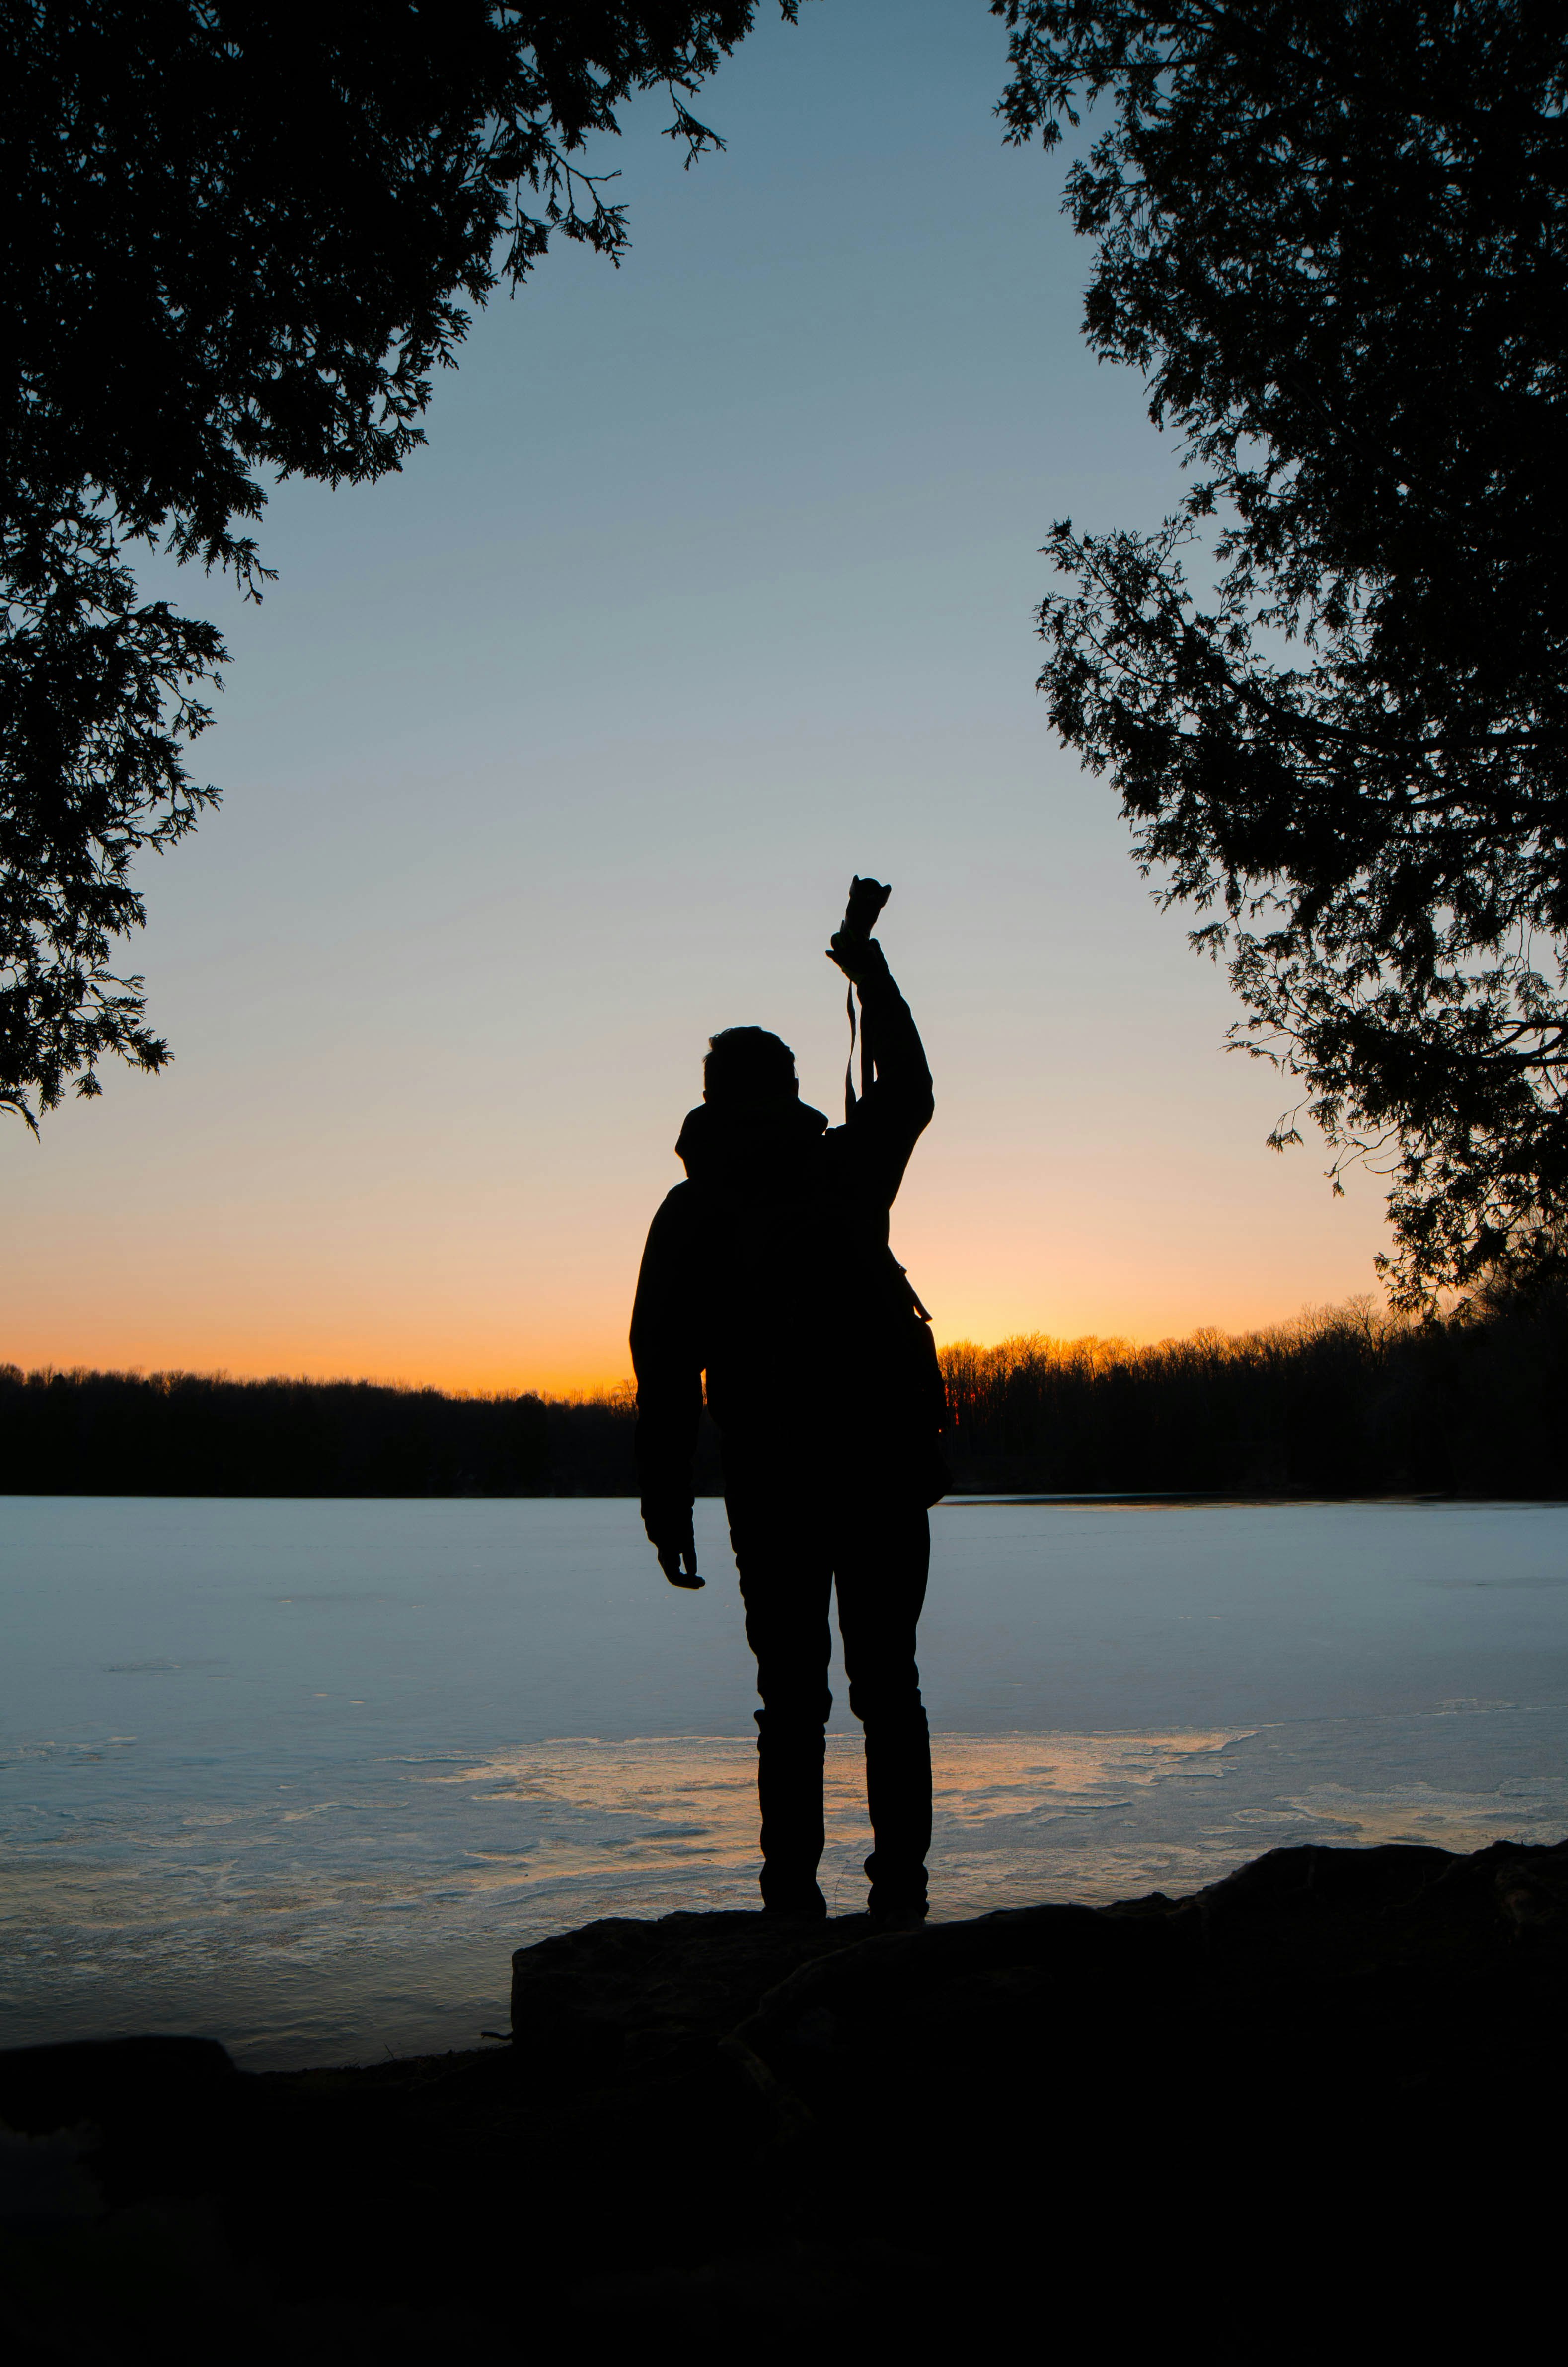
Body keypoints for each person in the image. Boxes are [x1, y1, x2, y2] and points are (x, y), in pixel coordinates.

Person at [630, 883, 947, 1922]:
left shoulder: (691, 1209)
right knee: (887, 1688)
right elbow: (909, 1092)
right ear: (795, 1089)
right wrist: (869, 969)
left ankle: (788, 1905)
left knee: (792, 1704)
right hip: (879, 1466)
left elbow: (663, 1366)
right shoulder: (844, 1171)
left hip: (769, 1479)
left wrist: (666, 1499)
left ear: (711, 1099)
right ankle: (899, 1903)